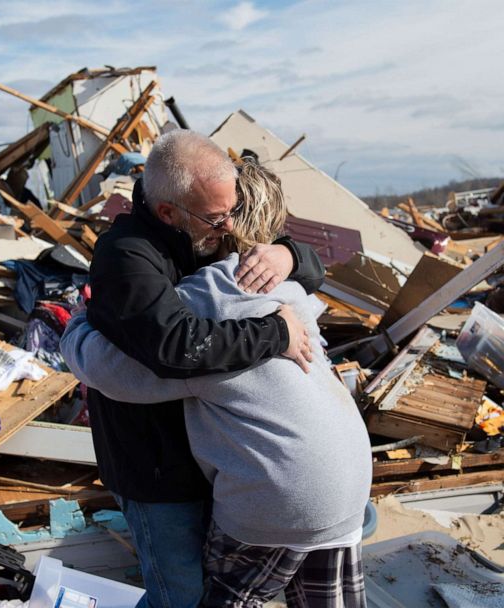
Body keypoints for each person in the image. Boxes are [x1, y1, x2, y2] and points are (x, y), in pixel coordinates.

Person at [62, 159, 372, 607]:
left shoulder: (210, 295)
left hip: (278, 498)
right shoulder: (289, 291)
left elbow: (115, 370)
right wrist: (289, 256)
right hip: (346, 486)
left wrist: (77, 323)